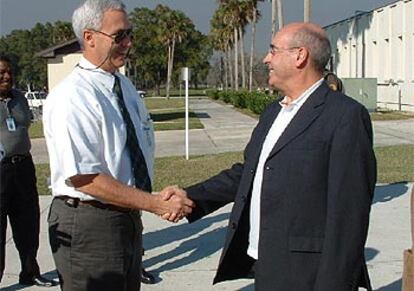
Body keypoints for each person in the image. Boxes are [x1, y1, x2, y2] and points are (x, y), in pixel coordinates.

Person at [165, 22, 377, 290]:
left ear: (300, 56)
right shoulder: (273, 112)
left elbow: (349, 214)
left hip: (309, 274)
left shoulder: (345, 116)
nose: (266, 59)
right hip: (266, 263)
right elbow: (248, 173)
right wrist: (191, 196)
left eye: (273, 51)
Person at [43, 1, 194, 290]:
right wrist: (155, 204)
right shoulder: (72, 97)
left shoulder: (122, 87)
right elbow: (85, 178)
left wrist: (147, 202)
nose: (128, 43)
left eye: (130, 34)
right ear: (89, 37)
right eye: (119, 35)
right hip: (91, 222)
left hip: (126, 215)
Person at [0, 55, 56, 287]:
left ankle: (30, 271)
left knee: (28, 222)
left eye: (9, 72)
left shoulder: (20, 98)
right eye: (1, 72)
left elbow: (26, 125)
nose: (6, 76)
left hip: (23, 166)